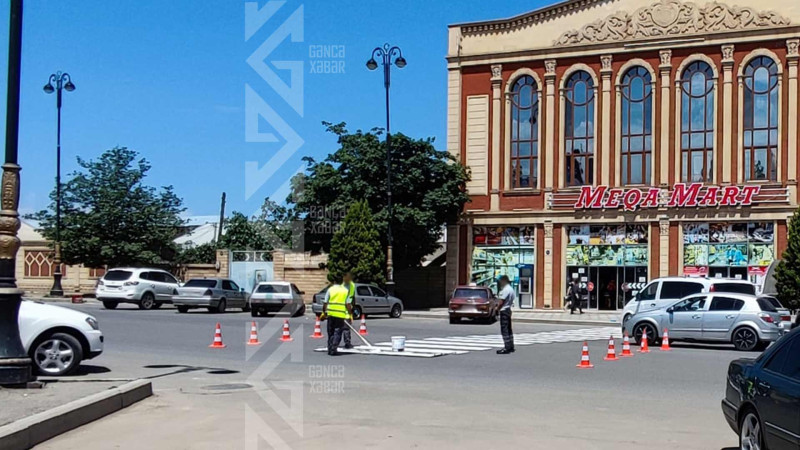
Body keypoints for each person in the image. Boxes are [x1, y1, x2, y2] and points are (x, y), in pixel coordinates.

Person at [322, 276, 352, 356]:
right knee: (338, 332)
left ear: (334, 282)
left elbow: (325, 302)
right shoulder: (345, 291)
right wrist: (350, 313)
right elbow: (348, 304)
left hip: (331, 314)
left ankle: (330, 347)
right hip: (340, 314)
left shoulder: (330, 289)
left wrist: (324, 313)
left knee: (330, 332)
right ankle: (334, 347)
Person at [496, 275, 515, 355]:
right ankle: (511, 345)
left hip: (504, 310)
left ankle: (507, 347)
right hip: (508, 310)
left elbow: (501, 301)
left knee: (505, 330)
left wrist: (497, 309)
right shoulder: (511, 289)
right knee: (509, 329)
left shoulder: (505, 290)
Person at [341, 271, 356, 350]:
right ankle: (347, 343)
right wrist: (350, 313)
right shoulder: (351, 285)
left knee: (337, 329)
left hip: (337, 312)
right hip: (345, 312)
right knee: (346, 329)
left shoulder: (342, 285)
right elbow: (349, 301)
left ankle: (333, 342)